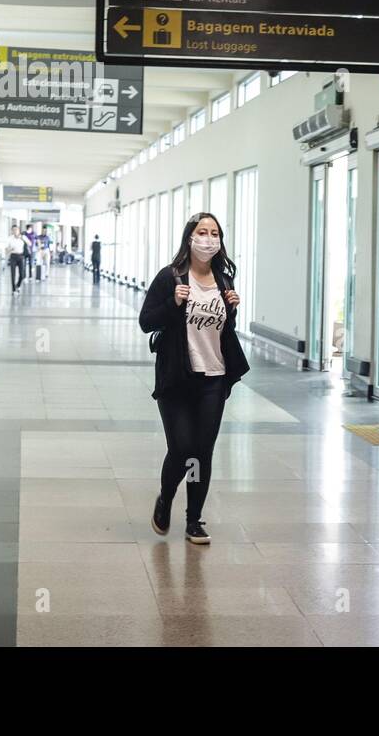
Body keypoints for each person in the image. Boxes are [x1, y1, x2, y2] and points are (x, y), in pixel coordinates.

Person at [139, 213, 250, 544]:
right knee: (181, 448)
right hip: (177, 377)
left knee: (202, 451)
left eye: (214, 233)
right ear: (190, 237)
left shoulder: (224, 280)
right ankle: (166, 497)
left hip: (213, 377)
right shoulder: (170, 277)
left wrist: (231, 310)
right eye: (202, 232)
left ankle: (194, 521)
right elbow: (147, 322)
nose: (208, 238)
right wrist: (173, 304)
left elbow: (220, 331)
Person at [6, 225, 27, 294]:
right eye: (13, 230)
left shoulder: (22, 237)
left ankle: (18, 285)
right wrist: (10, 249)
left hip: (21, 256)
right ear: (12, 231)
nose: (15, 231)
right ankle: (13, 289)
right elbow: (6, 250)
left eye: (16, 230)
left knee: (22, 274)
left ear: (18, 230)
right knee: (13, 274)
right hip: (13, 256)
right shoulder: (9, 238)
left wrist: (22, 238)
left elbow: (30, 243)